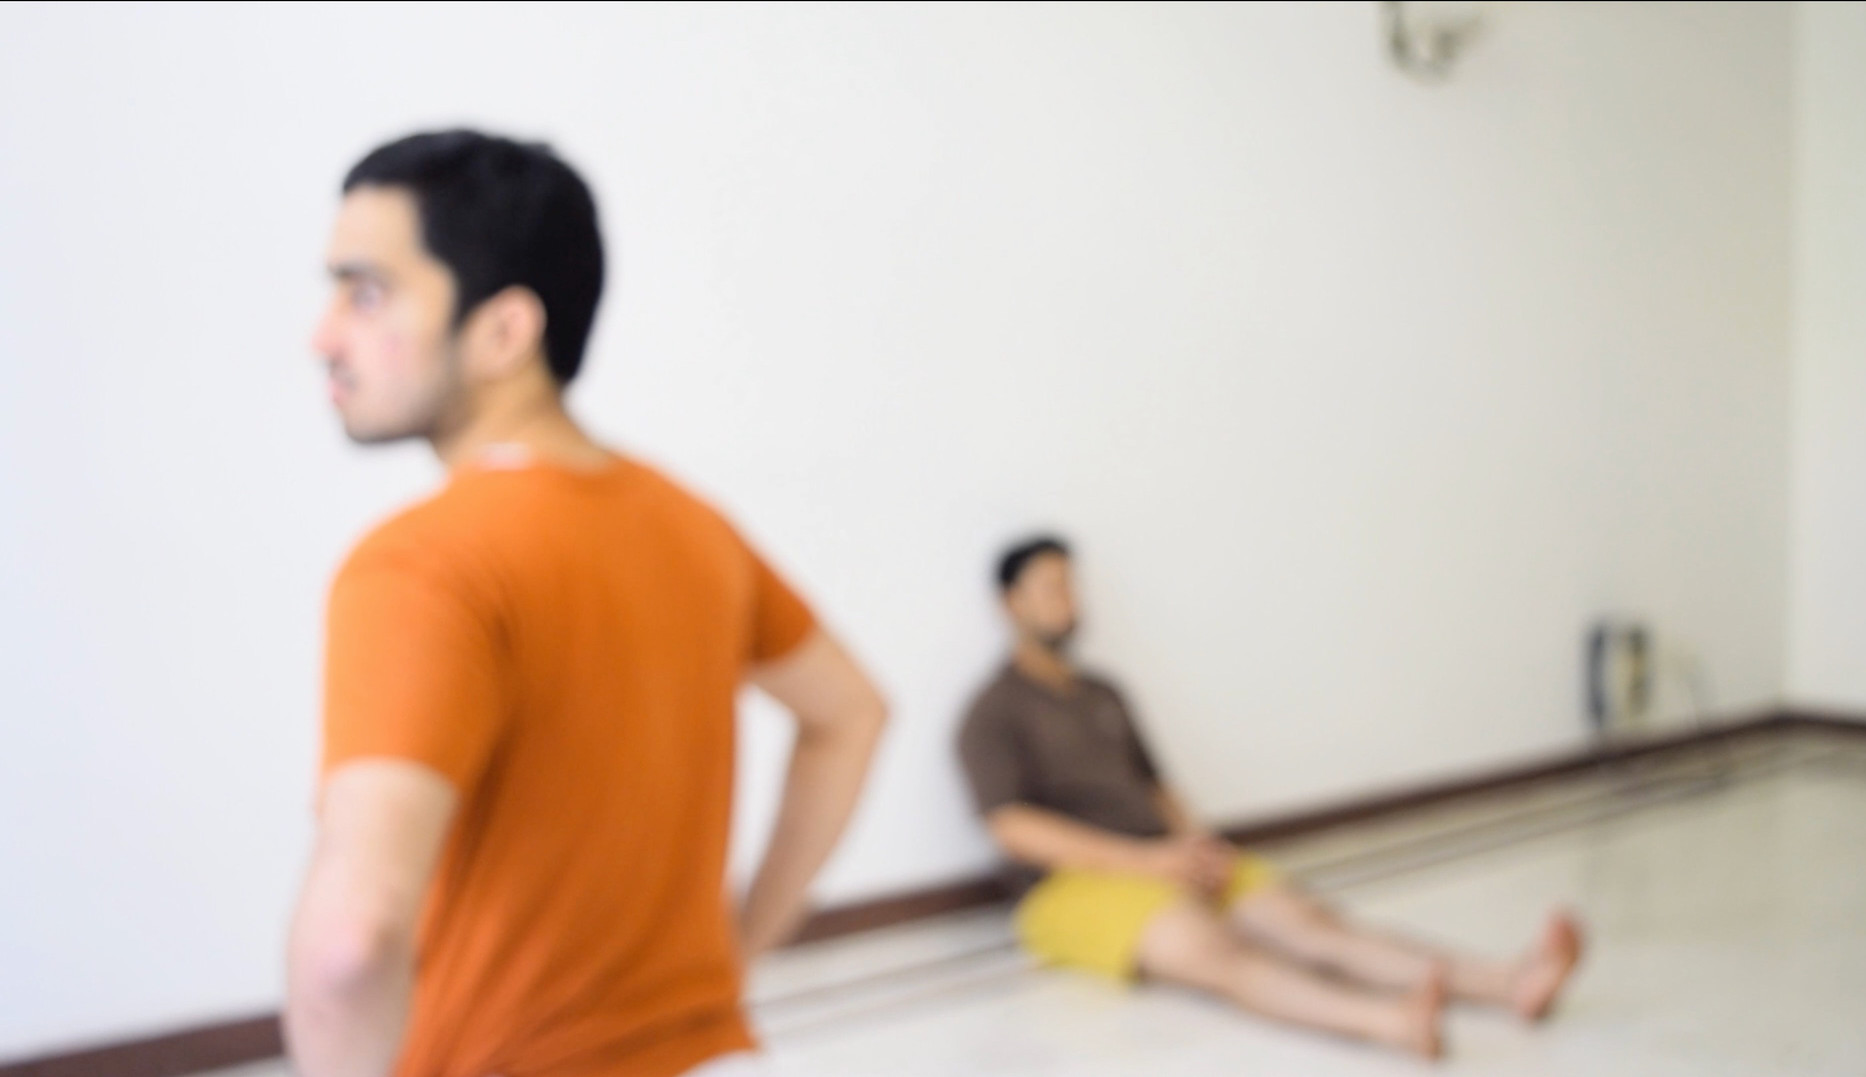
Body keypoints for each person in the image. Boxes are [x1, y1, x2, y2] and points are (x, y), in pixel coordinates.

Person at [287, 130, 888, 1077]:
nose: (322, 336)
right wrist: (738, 952)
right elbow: (852, 712)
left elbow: (349, 944)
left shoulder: (419, 564)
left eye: (366, 293)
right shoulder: (692, 525)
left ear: (504, 331)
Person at [956, 535, 1582, 1060]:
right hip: (1069, 888)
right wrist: (1147, 863)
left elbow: (1155, 785)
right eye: (1050, 588)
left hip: (1166, 855)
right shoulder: (990, 711)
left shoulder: (1104, 692)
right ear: (1010, 603)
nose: (1068, 601)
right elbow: (1010, 827)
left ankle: (1509, 981)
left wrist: (1194, 844)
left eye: (1071, 585)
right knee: (1216, 949)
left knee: (1313, 926)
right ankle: (1391, 1021)